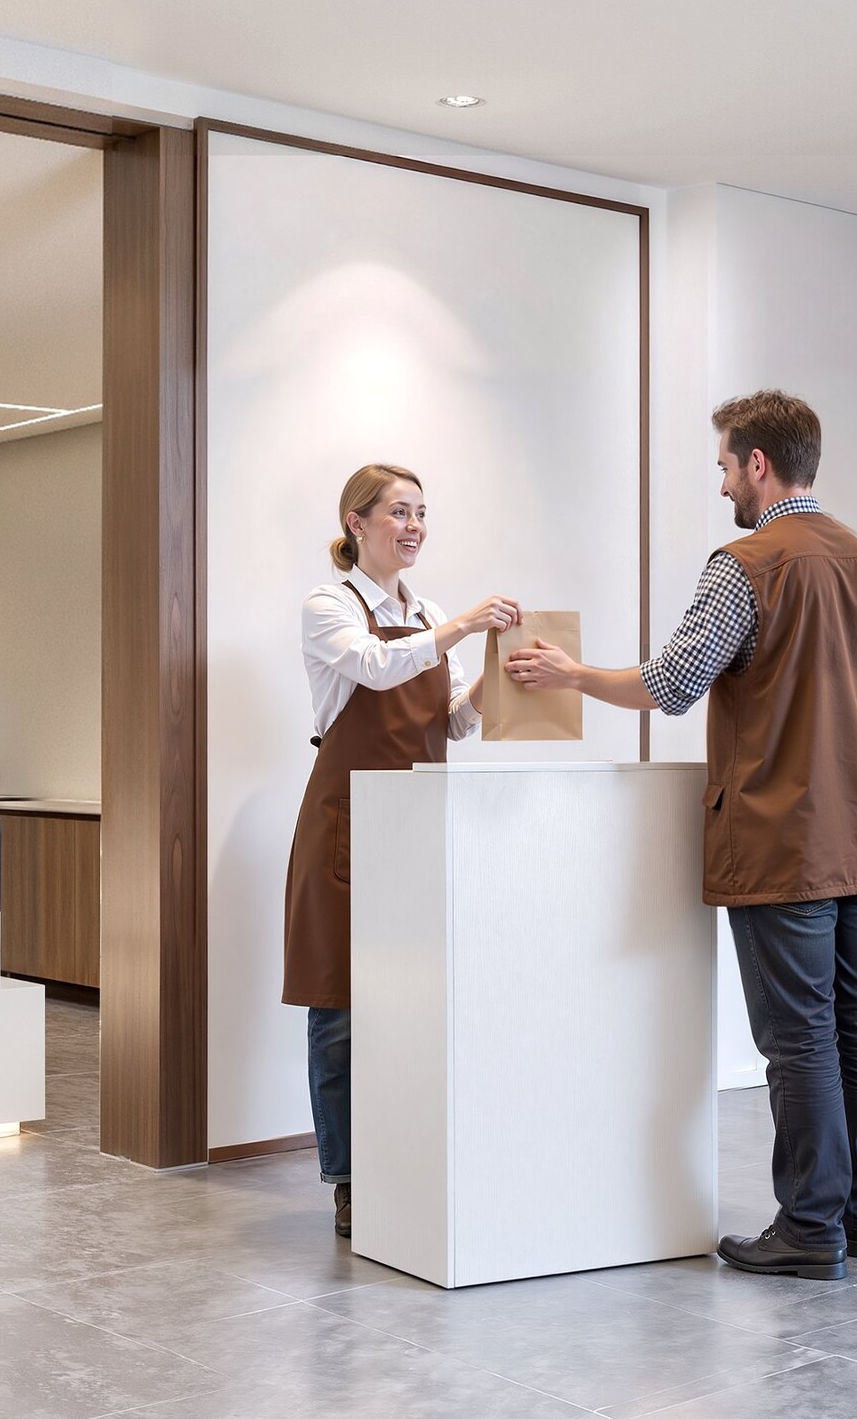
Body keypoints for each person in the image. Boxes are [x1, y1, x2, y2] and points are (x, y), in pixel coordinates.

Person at [506, 390, 857, 1281]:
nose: (722, 481)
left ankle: (808, 1228)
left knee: (799, 1037)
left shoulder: (745, 564)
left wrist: (571, 674)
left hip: (785, 839)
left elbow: (676, 682)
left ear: (758, 464)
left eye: (725, 464)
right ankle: (856, 1218)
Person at [284, 463, 519, 1238]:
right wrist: (460, 630)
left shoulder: (430, 610)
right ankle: (349, 1178)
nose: (413, 526)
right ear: (356, 523)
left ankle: (405, 1159)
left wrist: (496, 674)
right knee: (342, 1005)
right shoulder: (331, 605)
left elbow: (451, 722)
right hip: (347, 826)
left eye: (422, 513)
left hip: (418, 827)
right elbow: (378, 668)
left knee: (414, 999)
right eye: (397, 512)